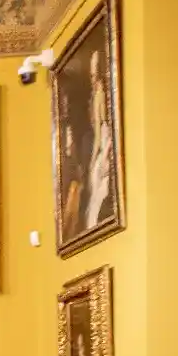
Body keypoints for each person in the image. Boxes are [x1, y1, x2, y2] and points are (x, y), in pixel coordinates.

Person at [81, 51, 115, 232]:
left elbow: (98, 138)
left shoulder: (99, 95)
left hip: (103, 149)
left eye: (94, 73)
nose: (92, 79)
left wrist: (92, 161)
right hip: (108, 147)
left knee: (96, 197)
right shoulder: (110, 94)